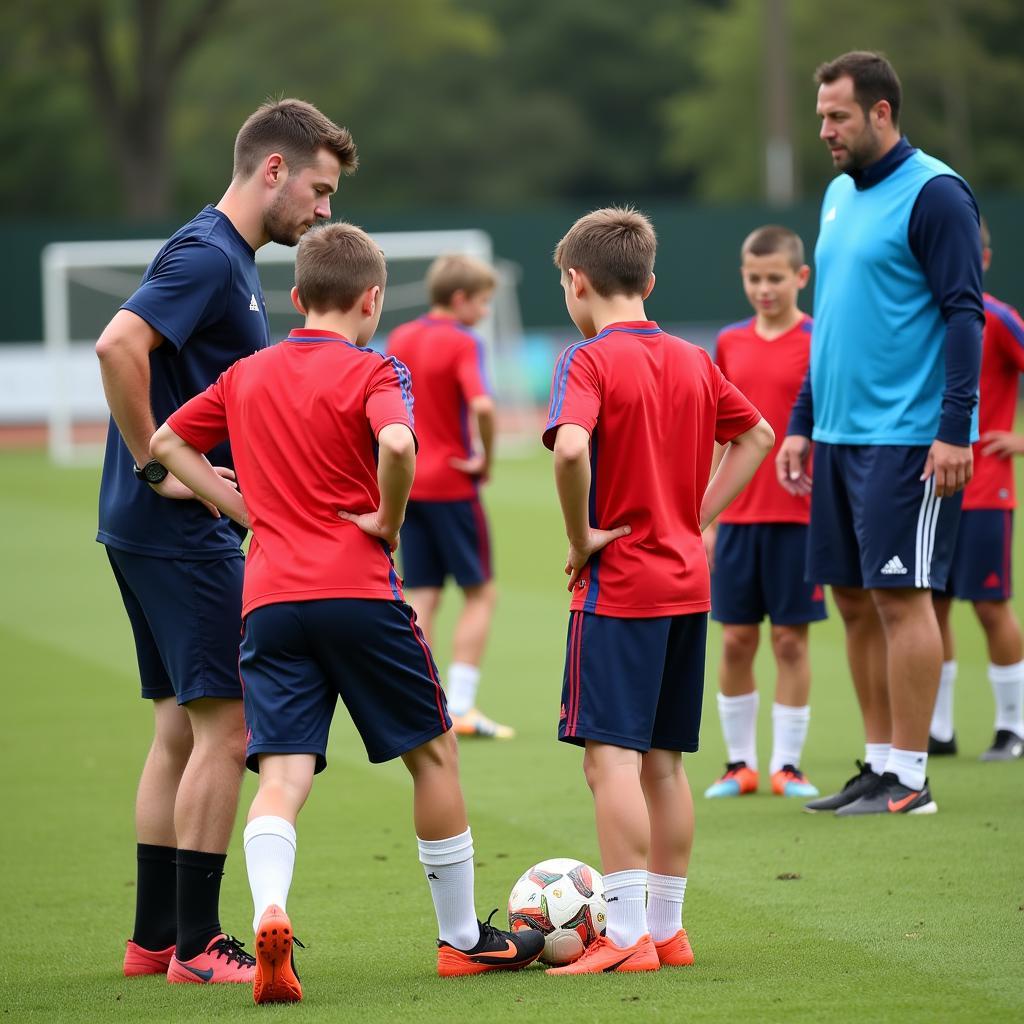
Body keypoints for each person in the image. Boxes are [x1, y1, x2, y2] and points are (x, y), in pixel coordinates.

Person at [150, 222, 545, 1004]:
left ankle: (270, 910)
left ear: (294, 298)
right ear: (372, 300)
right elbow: (397, 445)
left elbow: (165, 443)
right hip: (359, 591)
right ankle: (463, 938)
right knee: (432, 755)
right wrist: (389, 522)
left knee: (285, 771)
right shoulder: (375, 367)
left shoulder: (246, 374)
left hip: (268, 602)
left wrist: (239, 506)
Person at [95, 99, 357, 983]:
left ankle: (152, 941)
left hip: (149, 530)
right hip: (176, 529)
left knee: (177, 728)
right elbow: (117, 345)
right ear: (273, 170)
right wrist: (154, 465)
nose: (324, 211)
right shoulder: (212, 257)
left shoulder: (224, 257)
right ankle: (202, 945)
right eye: (318, 190)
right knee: (228, 726)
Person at [542, 207, 774, 975]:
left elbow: (570, 446)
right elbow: (757, 437)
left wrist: (581, 538)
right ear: (649, 279)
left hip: (621, 588)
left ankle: (626, 935)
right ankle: (668, 933)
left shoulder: (587, 360)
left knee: (609, 762)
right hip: (686, 583)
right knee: (665, 764)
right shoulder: (694, 357)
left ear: (577, 282)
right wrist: (697, 514)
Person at [777, 51, 984, 816]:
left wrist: (954, 431)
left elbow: (966, 315)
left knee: (903, 598)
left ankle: (913, 775)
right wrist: (803, 422)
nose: (825, 130)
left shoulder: (936, 194)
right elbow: (830, 324)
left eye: (837, 116)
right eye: (822, 115)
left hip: (907, 437)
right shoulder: (836, 194)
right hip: (835, 436)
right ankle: (880, 763)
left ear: (881, 113)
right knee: (856, 602)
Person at [703, 225, 826, 802]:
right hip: (738, 520)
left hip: (801, 520)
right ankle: (739, 764)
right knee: (734, 642)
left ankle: (787, 765)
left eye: (775, 278)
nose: (764, 288)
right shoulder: (729, 341)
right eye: (754, 278)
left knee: (791, 644)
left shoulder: (819, 337)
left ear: (800, 277)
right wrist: (704, 514)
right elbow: (718, 432)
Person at [386, 257, 509, 738]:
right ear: (460, 299)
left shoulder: (401, 338)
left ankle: (426, 700)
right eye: (481, 301)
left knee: (424, 593)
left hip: (409, 481)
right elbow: (481, 403)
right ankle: (461, 705)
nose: (484, 311)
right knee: (481, 593)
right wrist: (485, 457)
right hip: (454, 485)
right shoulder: (463, 341)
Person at [930, 218, 1024, 761]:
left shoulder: (999, 318)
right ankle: (938, 730)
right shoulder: (925, 316)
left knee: (991, 606)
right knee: (932, 609)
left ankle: (1011, 726)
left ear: (982, 260)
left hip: (988, 491)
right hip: (936, 489)